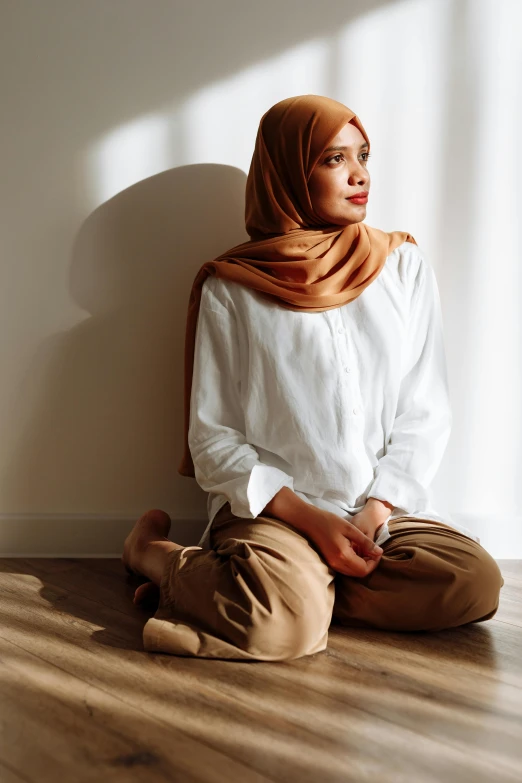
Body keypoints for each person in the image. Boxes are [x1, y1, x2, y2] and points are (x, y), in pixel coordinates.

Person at [122, 95, 504, 661]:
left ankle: (286, 593)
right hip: (277, 514)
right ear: (286, 174)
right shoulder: (234, 287)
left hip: (375, 513)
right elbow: (213, 439)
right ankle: (154, 554)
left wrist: (376, 510)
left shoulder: (401, 266)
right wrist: (311, 522)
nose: (359, 175)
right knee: (282, 632)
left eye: (363, 156)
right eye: (332, 160)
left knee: (472, 583)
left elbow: (424, 409)